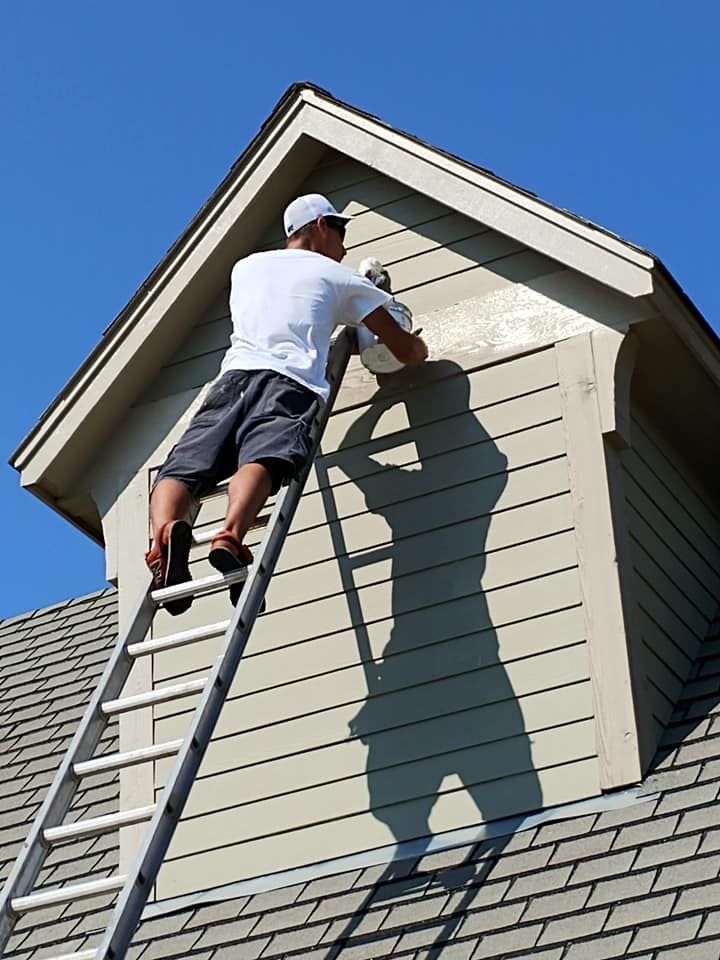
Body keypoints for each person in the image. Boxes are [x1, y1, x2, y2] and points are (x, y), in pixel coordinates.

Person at [145, 193, 428, 614]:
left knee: (183, 468)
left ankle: (164, 536)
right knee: (265, 458)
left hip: (232, 380)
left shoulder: (246, 268)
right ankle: (231, 535)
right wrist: (414, 340)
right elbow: (404, 350)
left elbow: (285, 307)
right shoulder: (340, 278)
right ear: (318, 228)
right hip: (289, 383)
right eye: (340, 230)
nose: (344, 244)